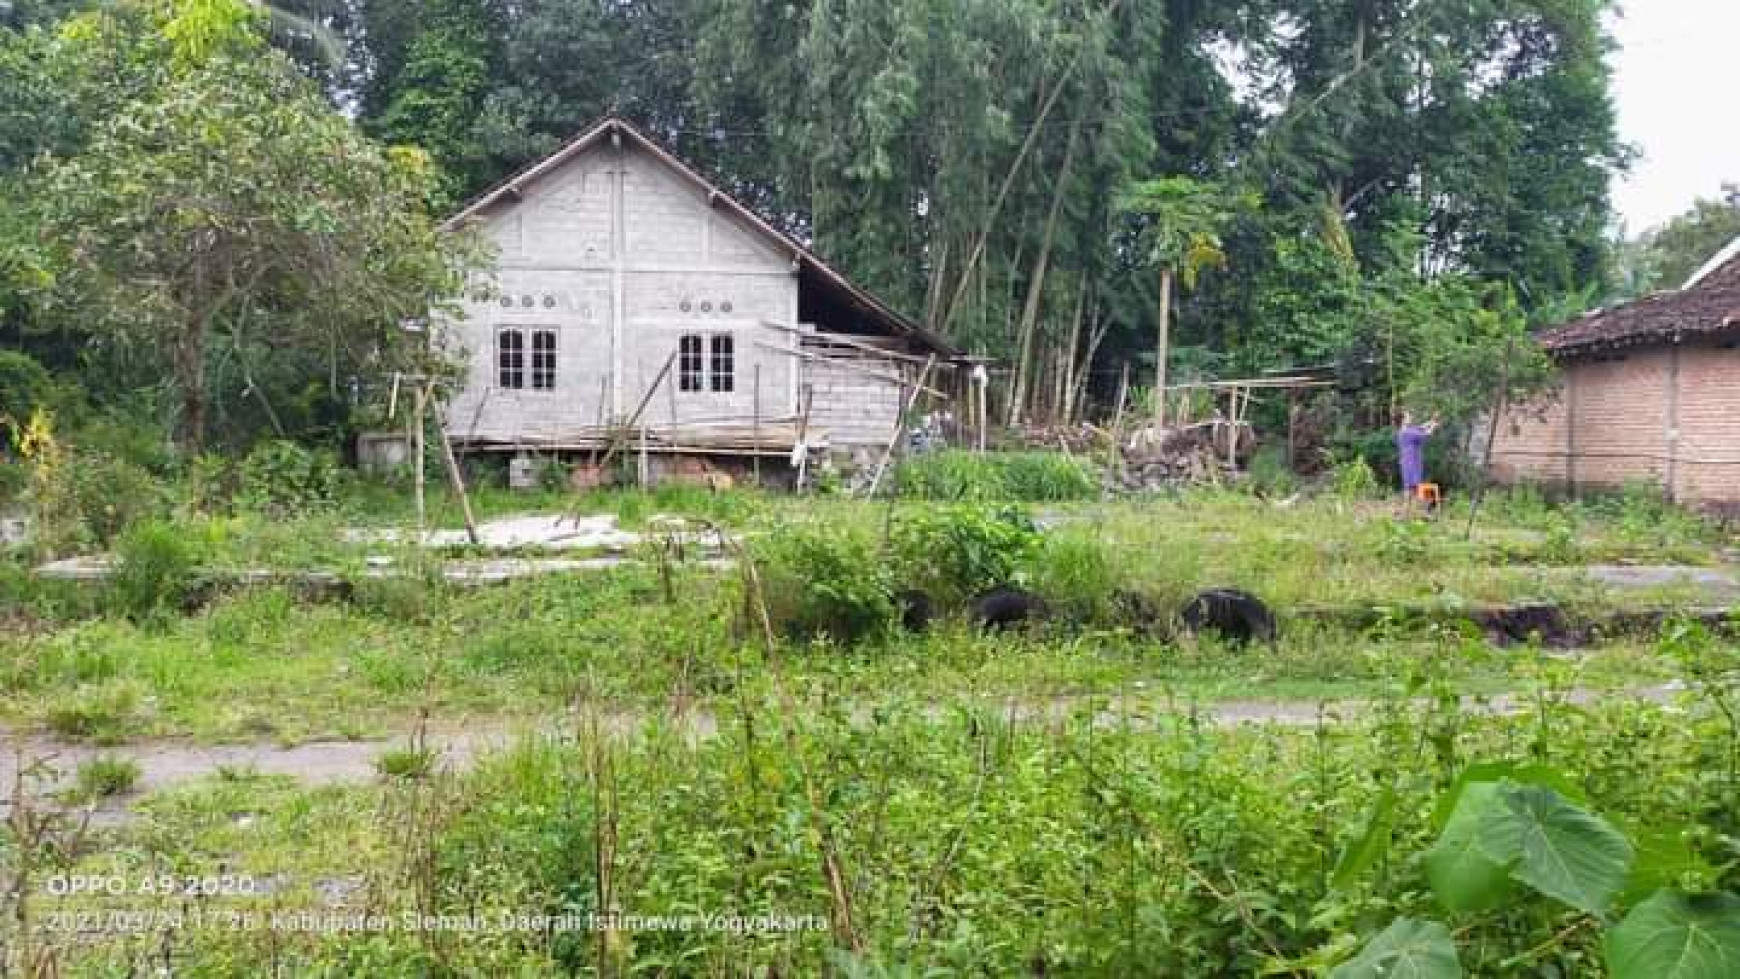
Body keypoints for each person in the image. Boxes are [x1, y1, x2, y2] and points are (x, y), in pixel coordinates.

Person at [1395, 410, 1440, 499]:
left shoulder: (1404, 431)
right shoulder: (1408, 432)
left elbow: (1421, 427)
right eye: (1408, 416)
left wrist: (1432, 420)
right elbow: (1426, 435)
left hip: (1407, 461)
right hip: (1412, 461)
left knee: (1408, 486)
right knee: (1415, 486)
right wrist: (1433, 427)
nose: (1410, 417)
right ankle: (1416, 507)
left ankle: (1409, 509)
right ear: (1403, 420)